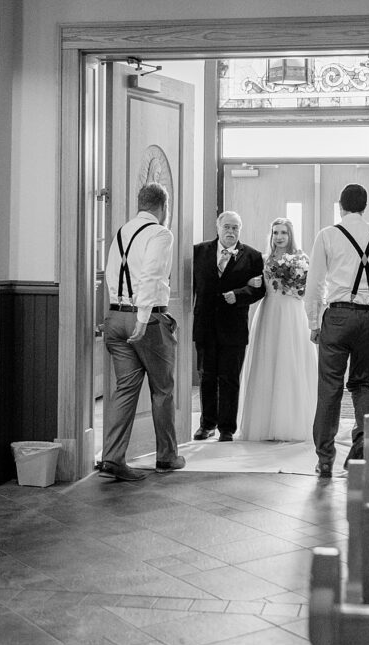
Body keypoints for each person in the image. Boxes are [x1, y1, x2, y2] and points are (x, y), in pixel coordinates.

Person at [305, 184, 369, 477]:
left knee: (330, 387)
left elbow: (315, 283)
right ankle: (363, 449)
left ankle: (325, 459)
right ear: (365, 207)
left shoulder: (328, 235)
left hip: (340, 316)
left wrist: (314, 322)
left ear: (340, 205)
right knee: (361, 383)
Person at [99, 182, 185, 482]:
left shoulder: (122, 232)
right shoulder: (160, 233)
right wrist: (143, 317)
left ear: (140, 203)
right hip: (144, 321)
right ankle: (167, 457)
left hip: (115, 317)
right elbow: (151, 275)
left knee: (125, 389)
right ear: (163, 206)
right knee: (162, 389)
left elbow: (110, 274)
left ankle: (112, 457)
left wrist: (116, 314)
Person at [238, 218, 317, 442]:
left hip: (292, 313)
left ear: (291, 235)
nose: (279, 237)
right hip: (270, 312)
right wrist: (255, 283)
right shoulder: (264, 260)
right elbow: (260, 287)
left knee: (290, 362)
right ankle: (264, 423)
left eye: (283, 232)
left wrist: (293, 287)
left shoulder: (302, 259)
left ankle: (291, 422)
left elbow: (306, 291)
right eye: (275, 233)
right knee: (268, 362)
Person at [192, 211, 265, 441]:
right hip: (205, 325)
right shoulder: (198, 251)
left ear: (240, 229)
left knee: (230, 377)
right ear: (217, 227)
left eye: (235, 227)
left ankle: (226, 428)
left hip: (234, 327)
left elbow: (260, 289)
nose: (231, 231)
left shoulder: (252, 256)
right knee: (207, 376)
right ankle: (207, 424)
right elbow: (188, 287)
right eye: (227, 227)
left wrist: (240, 294)